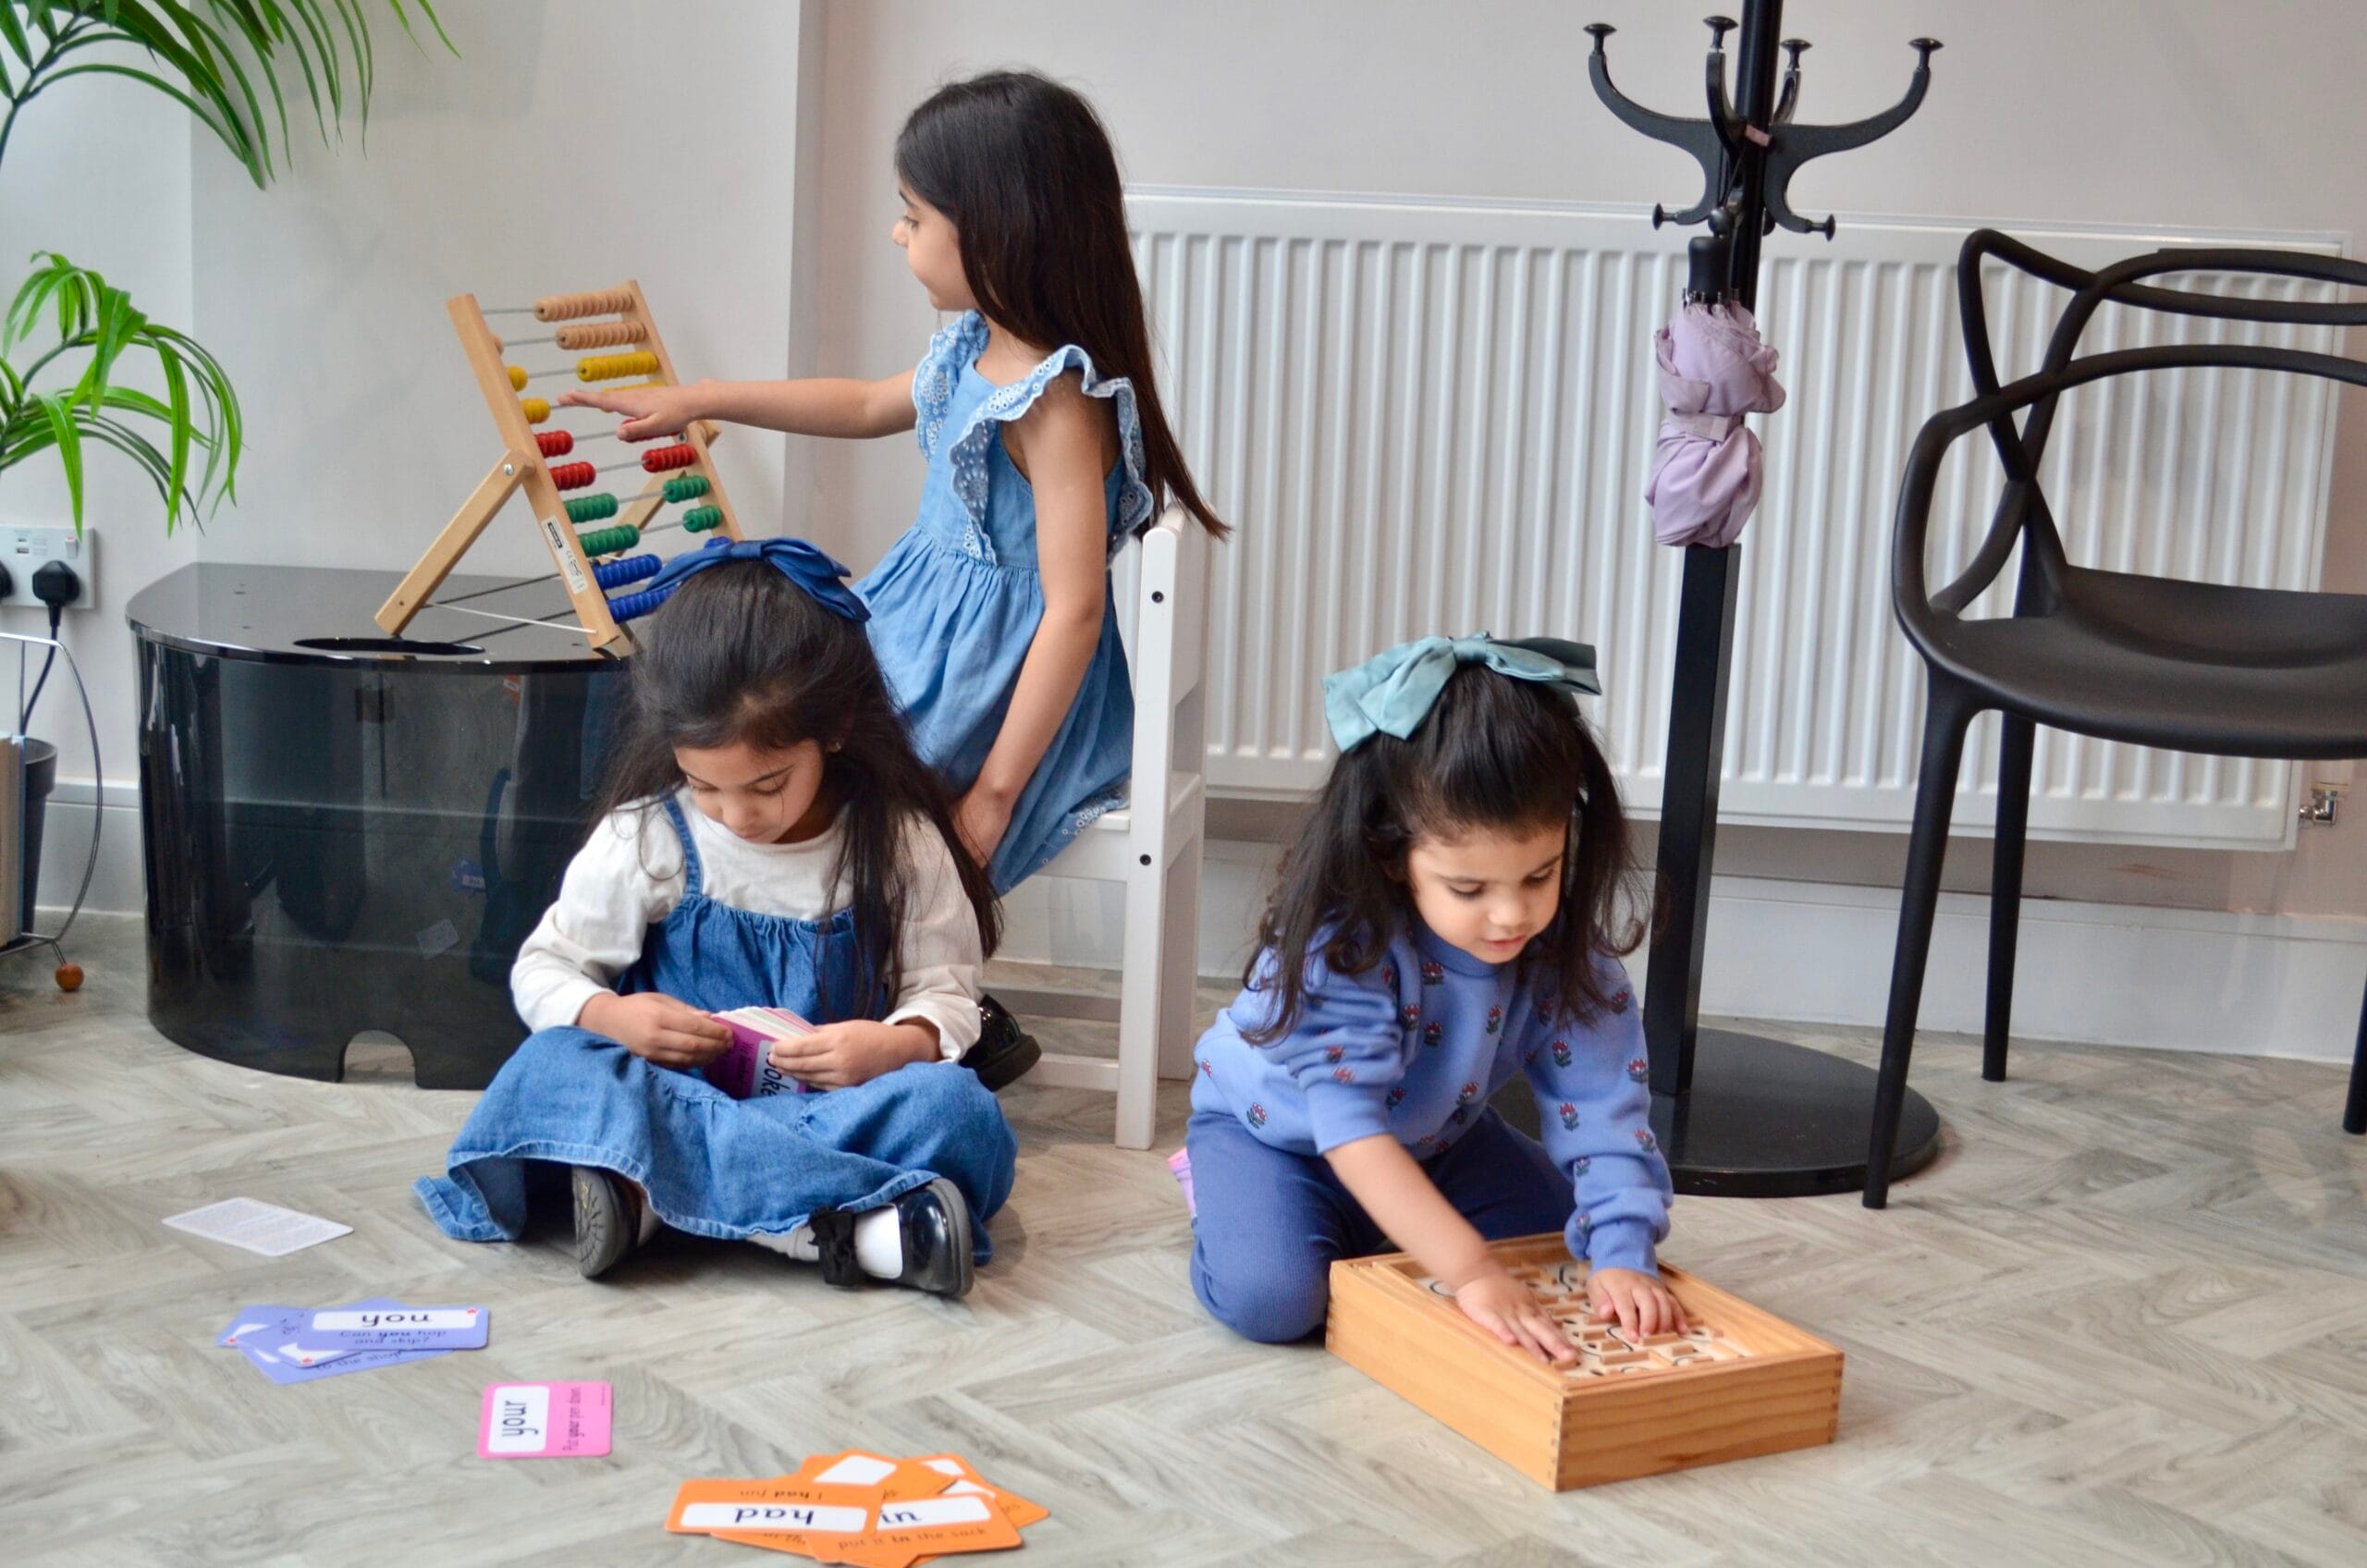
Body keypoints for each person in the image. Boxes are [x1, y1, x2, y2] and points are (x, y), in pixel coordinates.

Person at [414, 539, 1013, 1297]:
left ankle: (656, 1202)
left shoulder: (897, 841)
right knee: (551, 1067)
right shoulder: (651, 833)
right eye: (705, 786)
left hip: (829, 1109)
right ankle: (843, 1229)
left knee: (958, 1110)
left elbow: (948, 994)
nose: (738, 815)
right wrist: (614, 1018)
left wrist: (893, 1048)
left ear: (833, 730)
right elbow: (545, 968)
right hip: (676, 1097)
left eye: (767, 785)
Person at [1184, 635, 1681, 1355]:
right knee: (1278, 1300)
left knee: (1563, 1244)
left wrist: (1623, 1255)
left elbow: (1607, 1110)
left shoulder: (1569, 954)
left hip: (1438, 1137)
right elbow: (1352, 1133)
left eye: (1540, 876)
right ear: (1392, 854)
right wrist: (1470, 1269)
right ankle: (1222, 1192)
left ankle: (1393, 1222)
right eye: (1470, 889)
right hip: (1275, 1138)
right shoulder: (1344, 944)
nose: (1512, 915)